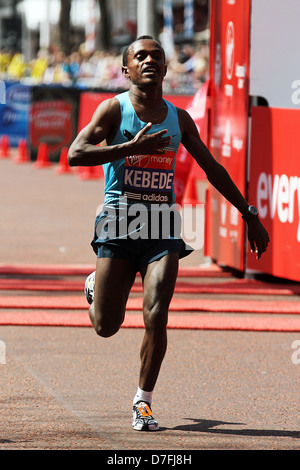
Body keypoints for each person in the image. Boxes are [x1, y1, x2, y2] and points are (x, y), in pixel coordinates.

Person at [68, 35, 269, 432]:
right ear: (126, 70)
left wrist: (249, 213)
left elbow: (212, 168)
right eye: (139, 56)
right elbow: (75, 153)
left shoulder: (179, 118)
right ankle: (96, 286)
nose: (148, 61)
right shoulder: (114, 109)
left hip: (162, 224)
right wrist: (128, 148)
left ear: (165, 68)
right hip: (120, 219)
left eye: (155, 56)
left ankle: (143, 401)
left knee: (157, 315)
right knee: (106, 326)